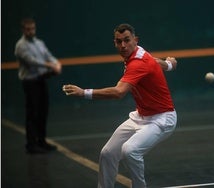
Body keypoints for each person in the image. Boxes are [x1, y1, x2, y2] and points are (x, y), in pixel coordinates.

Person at [62, 23, 177, 188]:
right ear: (114, 43)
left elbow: (118, 92)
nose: (123, 45)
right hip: (141, 116)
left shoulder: (137, 63)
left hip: (162, 118)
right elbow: (156, 62)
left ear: (135, 40)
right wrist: (171, 65)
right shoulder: (140, 53)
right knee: (108, 153)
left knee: (130, 151)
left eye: (127, 40)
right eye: (118, 41)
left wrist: (84, 93)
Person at [15, 18, 62, 154]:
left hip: (41, 80)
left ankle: (41, 141)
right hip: (30, 82)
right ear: (23, 30)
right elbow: (32, 61)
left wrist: (56, 63)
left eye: (33, 29)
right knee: (32, 113)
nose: (31, 31)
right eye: (28, 29)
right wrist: (50, 65)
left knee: (43, 111)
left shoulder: (39, 43)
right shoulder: (20, 45)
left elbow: (48, 55)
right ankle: (31, 144)